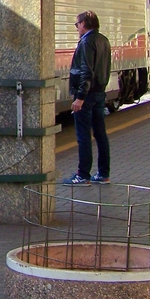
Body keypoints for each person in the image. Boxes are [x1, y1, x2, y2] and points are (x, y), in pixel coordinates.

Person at [60, 10, 112, 186]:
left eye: (77, 24)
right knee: (100, 134)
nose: (76, 28)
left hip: (87, 95)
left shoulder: (87, 42)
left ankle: (83, 175)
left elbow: (86, 71)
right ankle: (103, 174)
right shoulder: (103, 40)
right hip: (99, 93)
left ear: (84, 24)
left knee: (83, 135)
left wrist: (80, 97)